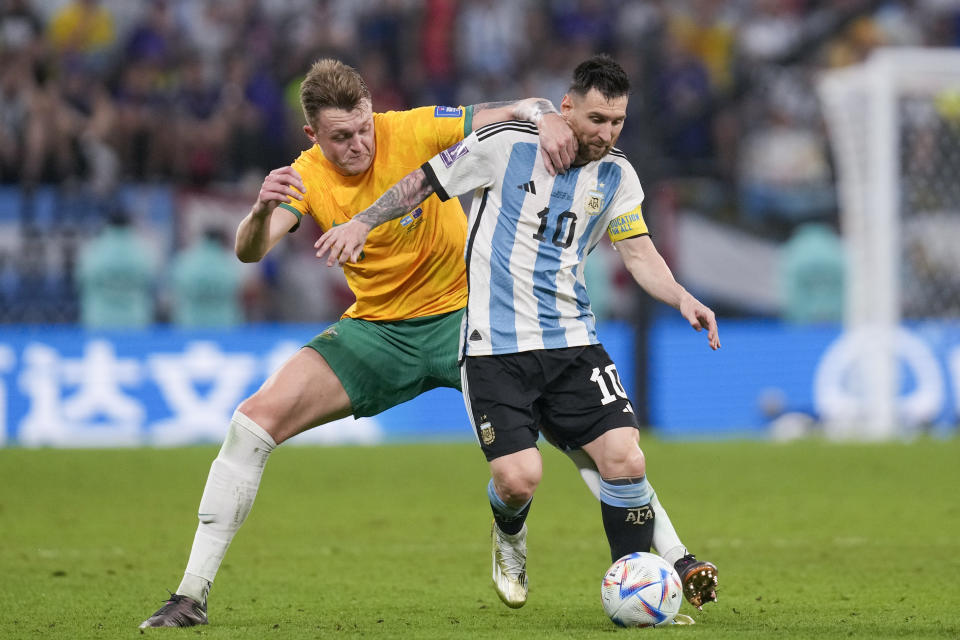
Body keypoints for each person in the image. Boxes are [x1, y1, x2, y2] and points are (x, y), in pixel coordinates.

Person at [138, 58, 576, 629]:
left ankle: (649, 551)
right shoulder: (305, 174)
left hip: (466, 320)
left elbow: (518, 109)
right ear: (312, 135)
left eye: (364, 127)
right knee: (252, 421)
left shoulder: (413, 127)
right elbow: (251, 251)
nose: (358, 144)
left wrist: (545, 117)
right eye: (340, 136)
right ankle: (189, 597)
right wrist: (261, 208)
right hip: (378, 332)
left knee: (562, 440)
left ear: (373, 112)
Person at [315, 55, 721, 613]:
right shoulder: (506, 144)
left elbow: (638, 251)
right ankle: (509, 537)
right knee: (518, 480)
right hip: (493, 348)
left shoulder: (618, 175)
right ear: (569, 106)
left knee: (626, 459)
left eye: (618, 122)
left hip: (573, 342)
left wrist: (682, 297)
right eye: (598, 119)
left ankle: (634, 585)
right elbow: (423, 182)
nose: (607, 134)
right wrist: (362, 221)